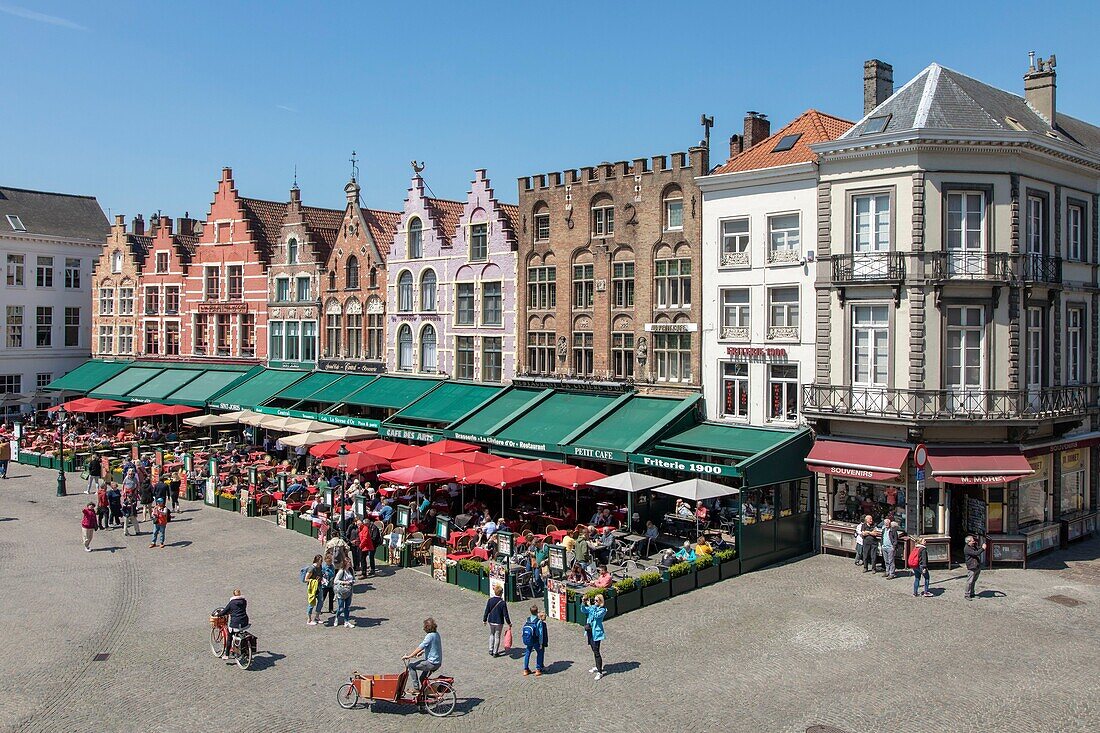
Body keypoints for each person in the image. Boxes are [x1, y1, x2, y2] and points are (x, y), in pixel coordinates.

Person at [403, 618, 442, 693]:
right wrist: (424, 652)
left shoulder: (429, 636)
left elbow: (421, 646)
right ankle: (429, 694)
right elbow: (434, 647)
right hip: (437, 662)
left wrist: (409, 656)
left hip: (431, 663)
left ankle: (416, 688)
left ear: (427, 627)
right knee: (422, 678)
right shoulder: (436, 634)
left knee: (411, 666)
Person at [214, 589, 249, 660]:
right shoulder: (244, 601)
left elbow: (225, 611)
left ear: (233, 595)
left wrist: (218, 615)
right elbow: (238, 609)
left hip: (235, 623)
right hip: (245, 622)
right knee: (238, 632)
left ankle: (226, 654)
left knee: (229, 637)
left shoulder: (232, 603)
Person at [581, 593, 608, 680]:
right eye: (594, 600)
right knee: (593, 650)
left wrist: (590, 606)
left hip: (596, 633)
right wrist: (583, 603)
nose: (594, 602)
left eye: (596, 600)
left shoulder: (603, 610)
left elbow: (596, 616)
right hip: (590, 631)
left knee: (596, 651)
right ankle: (597, 666)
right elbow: (583, 610)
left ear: (600, 601)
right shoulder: (593, 607)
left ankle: (600, 672)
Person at [482, 585, 511, 657]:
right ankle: (495, 652)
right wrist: (509, 623)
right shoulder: (502, 603)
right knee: (497, 636)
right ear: (501, 593)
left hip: (491, 620)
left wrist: (484, 619)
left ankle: (490, 649)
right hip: (499, 622)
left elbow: (487, 611)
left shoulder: (490, 600)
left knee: (492, 634)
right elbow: (505, 614)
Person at [521, 605, 549, 676]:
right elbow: (540, 634)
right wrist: (541, 643)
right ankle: (538, 669)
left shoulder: (527, 619)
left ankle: (525, 669)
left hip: (529, 639)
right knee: (540, 653)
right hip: (536, 640)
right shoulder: (538, 621)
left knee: (527, 653)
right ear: (537, 612)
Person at [312, 551, 336, 622]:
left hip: (331, 585)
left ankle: (331, 609)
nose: (330, 563)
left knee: (331, 597)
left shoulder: (332, 566)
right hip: (324, 585)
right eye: (328, 562)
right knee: (322, 598)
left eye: (330, 561)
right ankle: (319, 609)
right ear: (325, 561)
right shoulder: (324, 567)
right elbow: (322, 574)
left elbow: (334, 573)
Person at [333, 559, 355, 628]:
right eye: (348, 563)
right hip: (341, 591)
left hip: (349, 591)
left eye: (350, 563)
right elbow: (335, 580)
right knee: (341, 608)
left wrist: (352, 581)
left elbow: (353, 578)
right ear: (345, 563)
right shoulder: (341, 571)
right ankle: (336, 617)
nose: (350, 564)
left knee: (347, 607)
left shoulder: (351, 570)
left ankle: (346, 621)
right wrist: (344, 582)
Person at [963, 535, 985, 600]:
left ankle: (972, 593)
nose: (974, 542)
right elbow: (976, 553)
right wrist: (983, 549)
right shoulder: (967, 549)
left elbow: (977, 548)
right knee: (970, 581)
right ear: (968, 542)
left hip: (977, 565)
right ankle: (967, 594)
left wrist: (981, 546)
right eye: (972, 541)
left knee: (973, 581)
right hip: (972, 566)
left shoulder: (973, 546)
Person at [305, 555, 322, 625]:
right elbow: (306, 579)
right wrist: (314, 581)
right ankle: (309, 619)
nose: (321, 562)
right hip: (312, 588)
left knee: (320, 601)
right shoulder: (311, 568)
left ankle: (317, 617)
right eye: (320, 561)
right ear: (317, 561)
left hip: (319, 586)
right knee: (311, 603)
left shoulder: (320, 567)